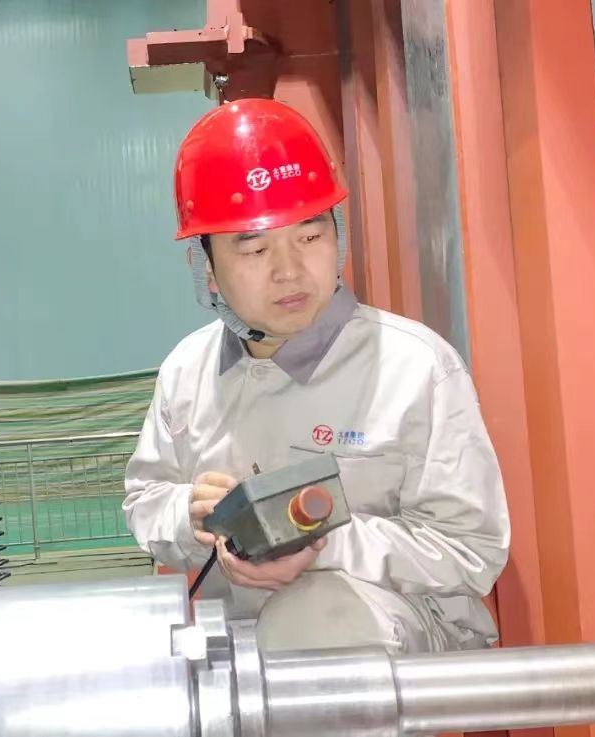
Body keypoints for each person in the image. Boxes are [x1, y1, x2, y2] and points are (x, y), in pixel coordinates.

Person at [124, 98, 510, 654]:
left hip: (395, 645)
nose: (289, 271)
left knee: (317, 622)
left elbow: (471, 549)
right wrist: (190, 514)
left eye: (309, 238)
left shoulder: (415, 368)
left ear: (338, 237)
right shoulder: (187, 372)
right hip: (240, 647)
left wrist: (323, 544)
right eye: (256, 248)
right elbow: (145, 500)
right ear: (206, 268)